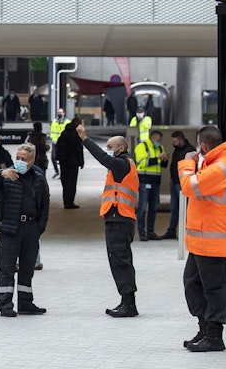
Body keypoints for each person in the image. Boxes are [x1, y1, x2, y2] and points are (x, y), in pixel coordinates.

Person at [178, 125, 226, 352]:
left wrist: (186, 162)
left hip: (212, 240)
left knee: (213, 289)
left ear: (203, 146)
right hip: (201, 240)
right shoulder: (214, 164)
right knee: (192, 284)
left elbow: (189, 186)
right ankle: (204, 327)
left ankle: (214, 336)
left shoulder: (221, 168)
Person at [0, 142, 50, 317]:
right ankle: (5, 305)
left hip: (31, 229)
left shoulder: (38, 177)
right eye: (18, 158)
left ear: (32, 160)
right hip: (11, 229)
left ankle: (26, 303)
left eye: (24, 159)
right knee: (7, 268)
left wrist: (40, 227)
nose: (20, 161)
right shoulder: (7, 175)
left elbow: (45, 203)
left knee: (27, 269)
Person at [77, 126, 140, 317]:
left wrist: (85, 140)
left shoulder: (123, 163)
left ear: (120, 148)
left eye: (111, 146)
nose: (108, 150)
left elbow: (104, 159)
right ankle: (126, 301)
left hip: (120, 218)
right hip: (118, 217)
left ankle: (128, 304)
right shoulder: (123, 164)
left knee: (120, 261)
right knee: (119, 261)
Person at [134, 129, 166, 241]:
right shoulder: (142, 147)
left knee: (153, 208)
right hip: (144, 180)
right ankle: (142, 232)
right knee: (142, 207)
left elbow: (162, 165)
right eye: (158, 140)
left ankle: (151, 232)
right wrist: (157, 158)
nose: (159, 142)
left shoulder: (160, 148)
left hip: (156, 181)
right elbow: (142, 163)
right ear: (152, 138)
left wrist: (164, 160)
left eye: (160, 141)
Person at [162, 130, 194, 239]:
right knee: (174, 208)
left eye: (175, 141)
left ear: (181, 140)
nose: (173, 143)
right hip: (175, 182)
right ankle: (172, 231)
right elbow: (174, 166)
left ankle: (185, 231)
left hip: (183, 184)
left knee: (184, 209)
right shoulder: (177, 150)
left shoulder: (189, 151)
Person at [55, 117, 86, 209]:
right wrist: (81, 162)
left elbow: (58, 146)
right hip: (73, 162)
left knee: (65, 182)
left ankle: (66, 201)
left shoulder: (64, 133)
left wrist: (58, 158)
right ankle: (70, 202)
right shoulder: (76, 135)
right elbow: (78, 149)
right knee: (72, 182)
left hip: (63, 161)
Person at [49, 108, 67, 178]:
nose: (59, 114)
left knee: (62, 159)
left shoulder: (67, 122)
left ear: (64, 113)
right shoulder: (54, 121)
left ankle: (62, 173)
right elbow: (52, 131)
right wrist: (52, 138)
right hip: (55, 142)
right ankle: (56, 171)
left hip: (63, 144)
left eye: (61, 112)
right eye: (58, 112)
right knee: (53, 157)